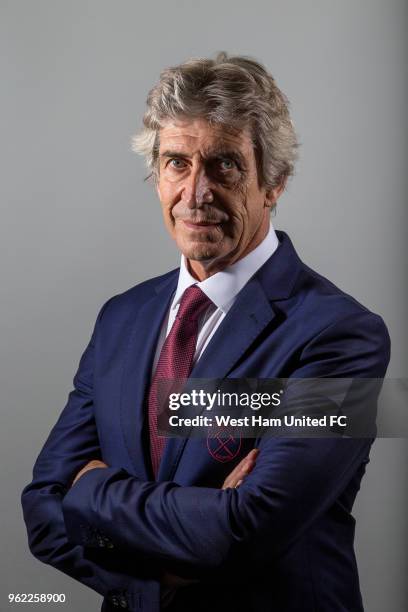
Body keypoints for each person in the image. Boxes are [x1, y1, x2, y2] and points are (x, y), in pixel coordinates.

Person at [21, 52, 390, 612]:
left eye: (224, 165)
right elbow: (44, 509)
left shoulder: (345, 337)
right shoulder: (121, 319)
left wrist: (91, 492)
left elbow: (244, 532)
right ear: (156, 174)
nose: (196, 193)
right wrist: (158, 579)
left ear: (274, 182)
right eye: (176, 163)